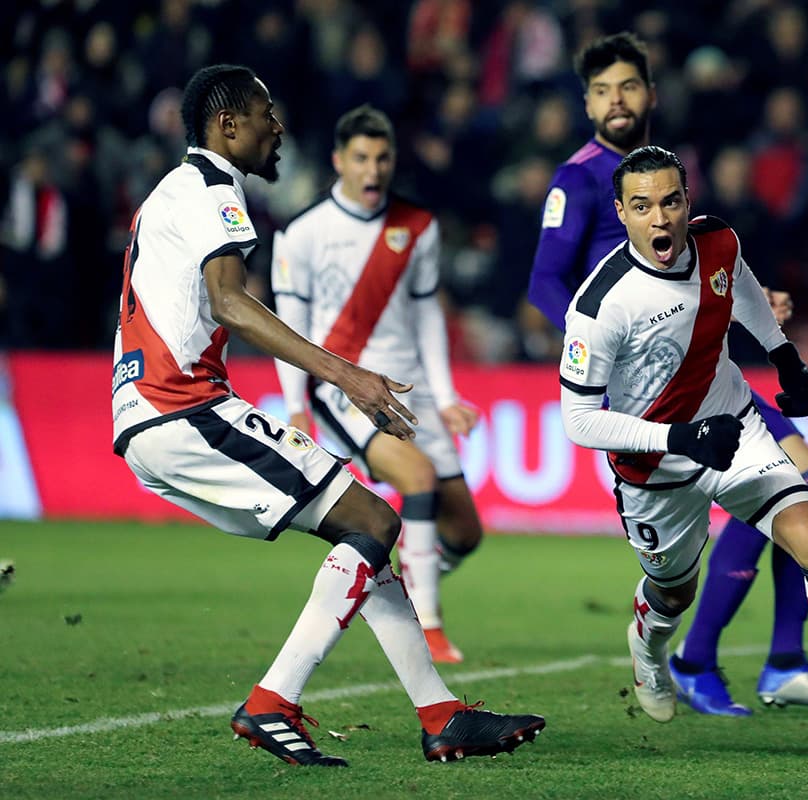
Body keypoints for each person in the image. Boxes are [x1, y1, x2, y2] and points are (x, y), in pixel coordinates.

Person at [111, 64, 544, 767]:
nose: (277, 128)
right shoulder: (216, 188)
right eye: (264, 115)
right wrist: (347, 376)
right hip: (181, 405)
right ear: (227, 126)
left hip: (148, 412)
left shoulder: (172, 191)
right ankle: (271, 701)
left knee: (365, 534)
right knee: (375, 522)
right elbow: (229, 301)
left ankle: (440, 714)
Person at [559, 145, 808, 747]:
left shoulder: (719, 242)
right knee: (672, 591)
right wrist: (680, 437)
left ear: (688, 202)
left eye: (670, 201)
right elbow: (579, 421)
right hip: (654, 469)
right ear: (621, 212)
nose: (659, 218)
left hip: (734, 428)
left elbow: (743, 292)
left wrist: (786, 358)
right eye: (642, 206)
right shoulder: (600, 305)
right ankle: (650, 647)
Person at [528, 32, 808, 716]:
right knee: (678, 573)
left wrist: (742, 305)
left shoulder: (671, 170)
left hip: (710, 375)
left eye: (629, 87)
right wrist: (600, 356)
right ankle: (701, 656)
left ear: (650, 93)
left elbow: (704, 274)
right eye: (602, 90)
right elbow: (546, 283)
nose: (618, 101)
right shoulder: (580, 179)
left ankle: (774, 661)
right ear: (586, 103)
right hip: (639, 396)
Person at [271, 104, 481, 664]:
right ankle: (428, 626)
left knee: (464, 533)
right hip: (347, 386)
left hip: (413, 387)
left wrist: (447, 393)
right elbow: (288, 326)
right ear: (339, 161)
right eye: (361, 158)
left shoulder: (419, 226)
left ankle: (384, 583)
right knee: (416, 479)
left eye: (382, 158)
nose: (373, 169)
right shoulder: (302, 233)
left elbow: (428, 313)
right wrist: (296, 405)